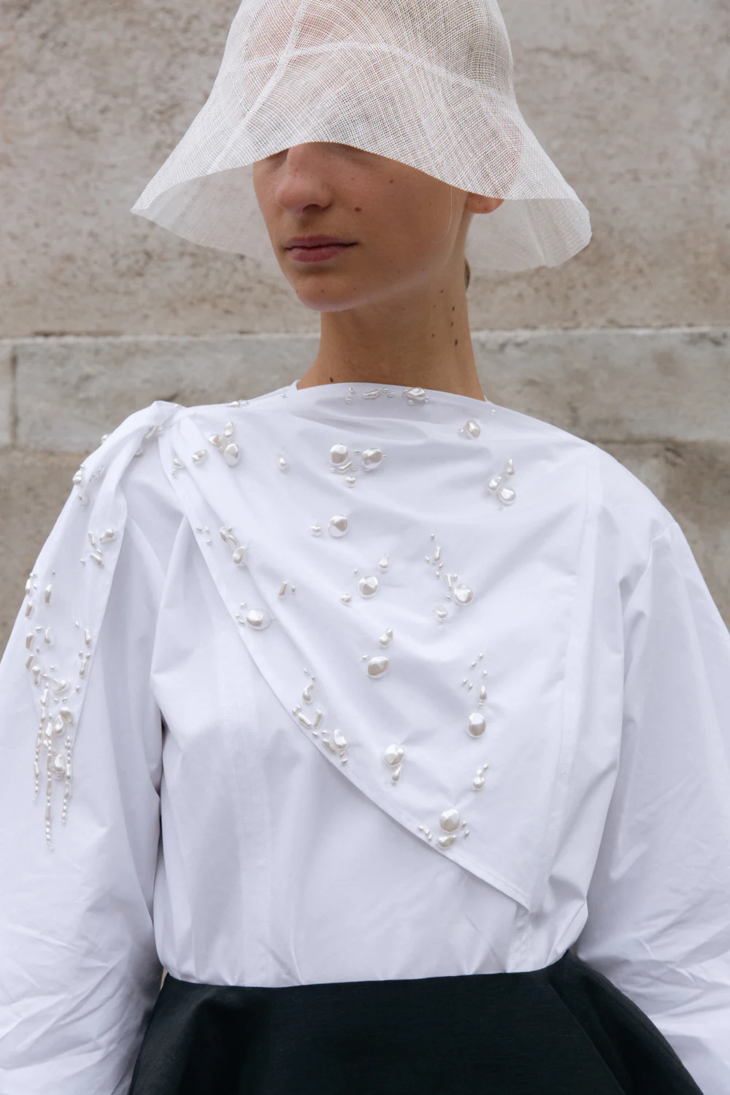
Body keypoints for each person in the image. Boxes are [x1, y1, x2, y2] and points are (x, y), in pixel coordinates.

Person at [1, 1, 729, 1093]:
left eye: (353, 126)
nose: (297, 186)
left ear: (485, 160)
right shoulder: (159, 494)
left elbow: (689, 935)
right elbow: (53, 921)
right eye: (269, 138)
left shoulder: (602, 520)